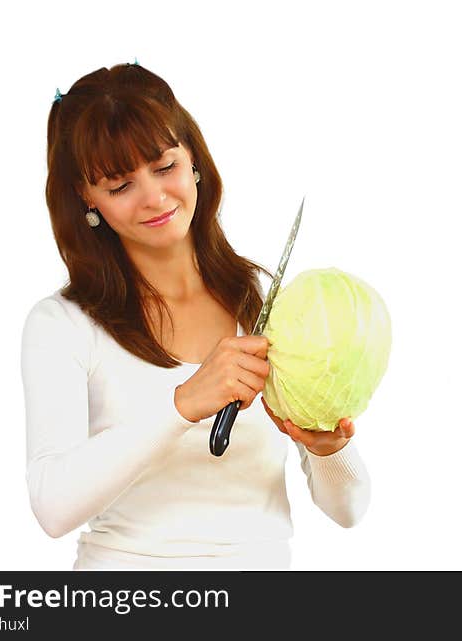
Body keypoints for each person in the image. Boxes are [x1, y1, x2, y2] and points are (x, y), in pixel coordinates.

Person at [21, 62, 371, 569]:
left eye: (165, 167)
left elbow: (350, 511)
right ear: (85, 197)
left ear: (194, 159)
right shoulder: (61, 325)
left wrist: (329, 448)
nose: (155, 198)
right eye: (120, 186)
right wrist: (183, 404)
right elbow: (51, 507)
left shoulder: (262, 300)